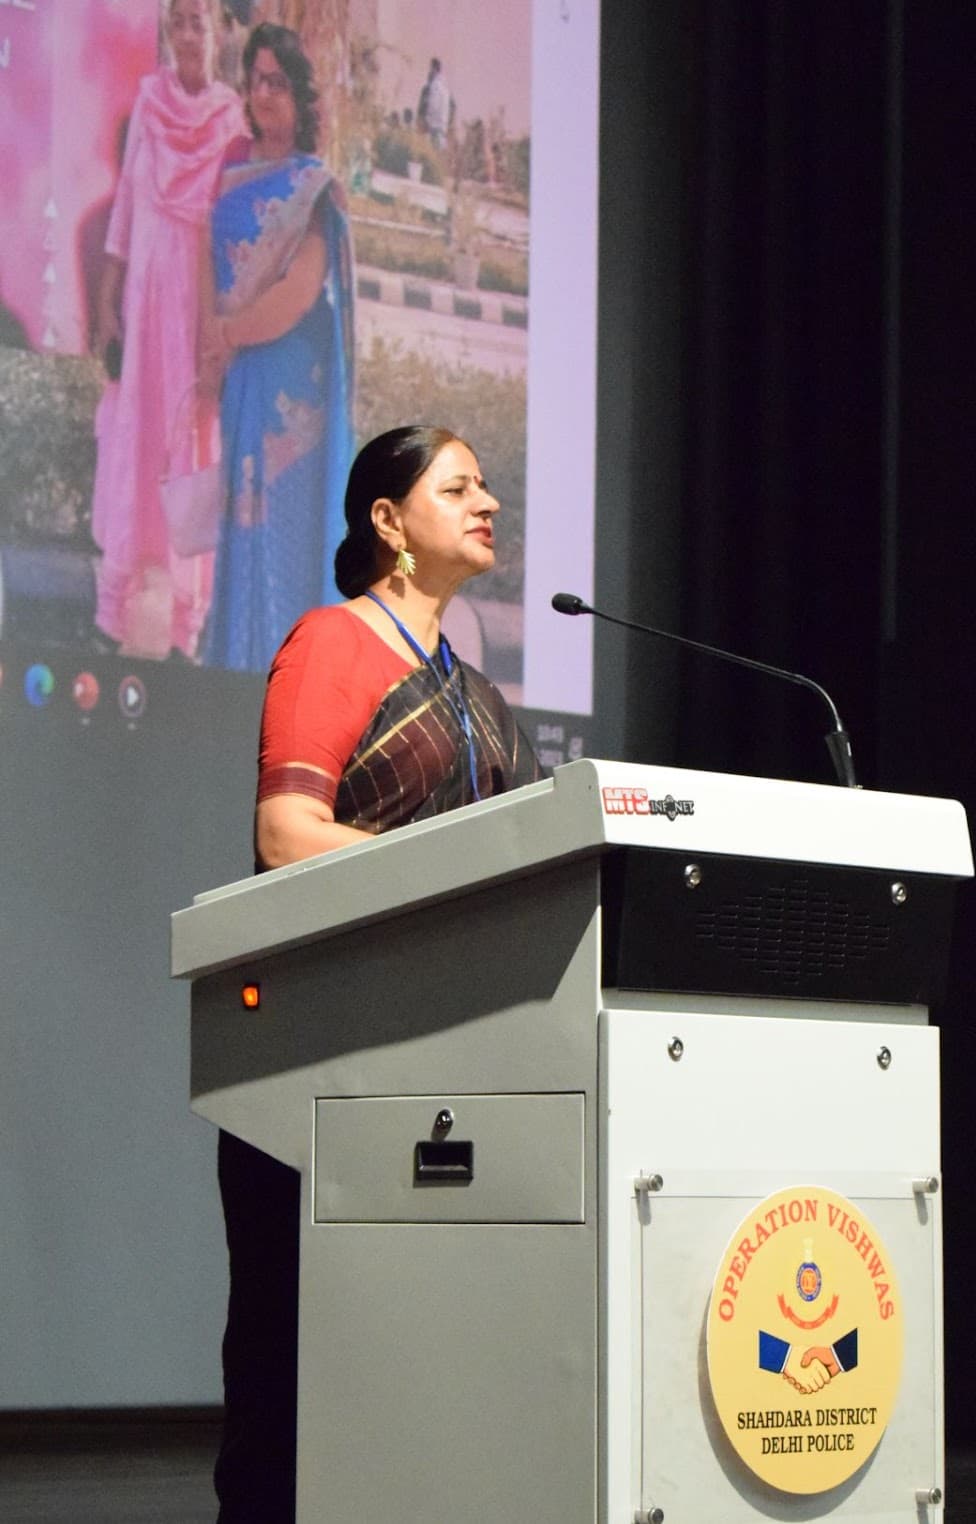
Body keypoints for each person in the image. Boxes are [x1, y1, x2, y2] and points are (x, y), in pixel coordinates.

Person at [214, 423, 541, 1521]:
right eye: (457, 486)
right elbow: (285, 832)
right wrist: (448, 868)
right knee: (294, 1349)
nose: (486, 500)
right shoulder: (332, 643)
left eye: (487, 484)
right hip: (314, 1057)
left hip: (449, 1061)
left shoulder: (473, 688)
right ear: (387, 523)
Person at [89, 0, 243, 659]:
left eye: (197, 23)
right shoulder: (150, 101)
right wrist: (107, 296)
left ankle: (186, 620)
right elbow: (126, 203)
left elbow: (235, 233)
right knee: (136, 440)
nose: (187, 34)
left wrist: (224, 330)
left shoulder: (231, 119)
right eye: (177, 21)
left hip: (195, 306)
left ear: (216, 35)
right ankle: (116, 610)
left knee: (191, 449)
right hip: (147, 300)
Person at [199, 21, 355, 671]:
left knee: (288, 541)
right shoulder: (231, 172)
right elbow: (206, 268)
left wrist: (228, 334)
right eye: (255, 80)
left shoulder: (312, 186)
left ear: (300, 98)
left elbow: (297, 291)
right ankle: (239, 671)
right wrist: (211, 355)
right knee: (242, 530)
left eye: (277, 83)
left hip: (293, 388)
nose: (263, 95)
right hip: (243, 381)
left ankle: (290, 681)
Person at [417, 56, 452, 151]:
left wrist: (426, 121)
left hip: (434, 128)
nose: (429, 71)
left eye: (430, 68)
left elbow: (433, 106)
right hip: (442, 129)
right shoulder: (445, 88)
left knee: (431, 155)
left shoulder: (435, 86)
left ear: (434, 69)